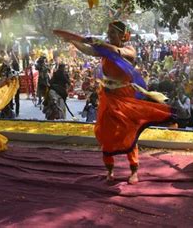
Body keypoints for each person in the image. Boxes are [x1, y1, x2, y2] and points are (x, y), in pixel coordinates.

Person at [59, 21, 176, 184]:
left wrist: (101, 44)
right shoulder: (104, 51)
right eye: (109, 32)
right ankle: (110, 171)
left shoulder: (129, 50)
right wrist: (72, 40)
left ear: (123, 36)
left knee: (128, 132)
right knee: (106, 132)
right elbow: (88, 50)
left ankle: (134, 170)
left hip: (125, 96)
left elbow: (118, 52)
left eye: (113, 33)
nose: (109, 35)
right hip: (108, 97)